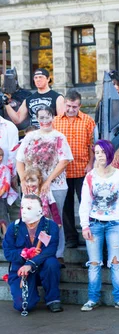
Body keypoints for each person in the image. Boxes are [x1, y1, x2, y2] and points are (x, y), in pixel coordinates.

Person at [79, 140, 119, 311]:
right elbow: (85, 203)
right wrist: (85, 226)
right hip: (94, 223)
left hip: (114, 224)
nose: (100, 156)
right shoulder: (90, 177)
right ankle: (92, 298)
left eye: (103, 152)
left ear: (109, 153)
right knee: (94, 262)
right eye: (97, 152)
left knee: (116, 262)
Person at [16, 105, 73, 263]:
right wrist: (22, 180)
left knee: (55, 219)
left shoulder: (59, 137)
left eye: (48, 116)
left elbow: (64, 161)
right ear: (36, 119)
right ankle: (32, 251)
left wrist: (48, 181)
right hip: (32, 185)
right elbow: (19, 161)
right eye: (41, 117)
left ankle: (58, 253)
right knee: (32, 218)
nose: (45, 120)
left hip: (56, 185)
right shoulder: (30, 137)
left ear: (53, 117)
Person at [2, 194, 63, 313]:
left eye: (29, 208)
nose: (24, 211)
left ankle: (53, 299)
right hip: (20, 269)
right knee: (23, 306)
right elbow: (8, 252)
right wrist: (24, 254)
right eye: (22, 207)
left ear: (40, 209)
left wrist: (31, 263)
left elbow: (50, 250)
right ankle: (30, 292)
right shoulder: (13, 227)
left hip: (42, 267)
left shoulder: (51, 226)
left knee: (52, 263)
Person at [53, 89, 95, 248]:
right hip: (62, 171)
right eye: (68, 106)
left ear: (80, 106)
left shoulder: (87, 121)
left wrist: (91, 164)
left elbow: (92, 145)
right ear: (64, 104)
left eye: (74, 107)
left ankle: (90, 233)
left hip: (82, 168)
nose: (71, 110)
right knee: (65, 206)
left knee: (87, 203)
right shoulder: (56, 121)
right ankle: (71, 237)